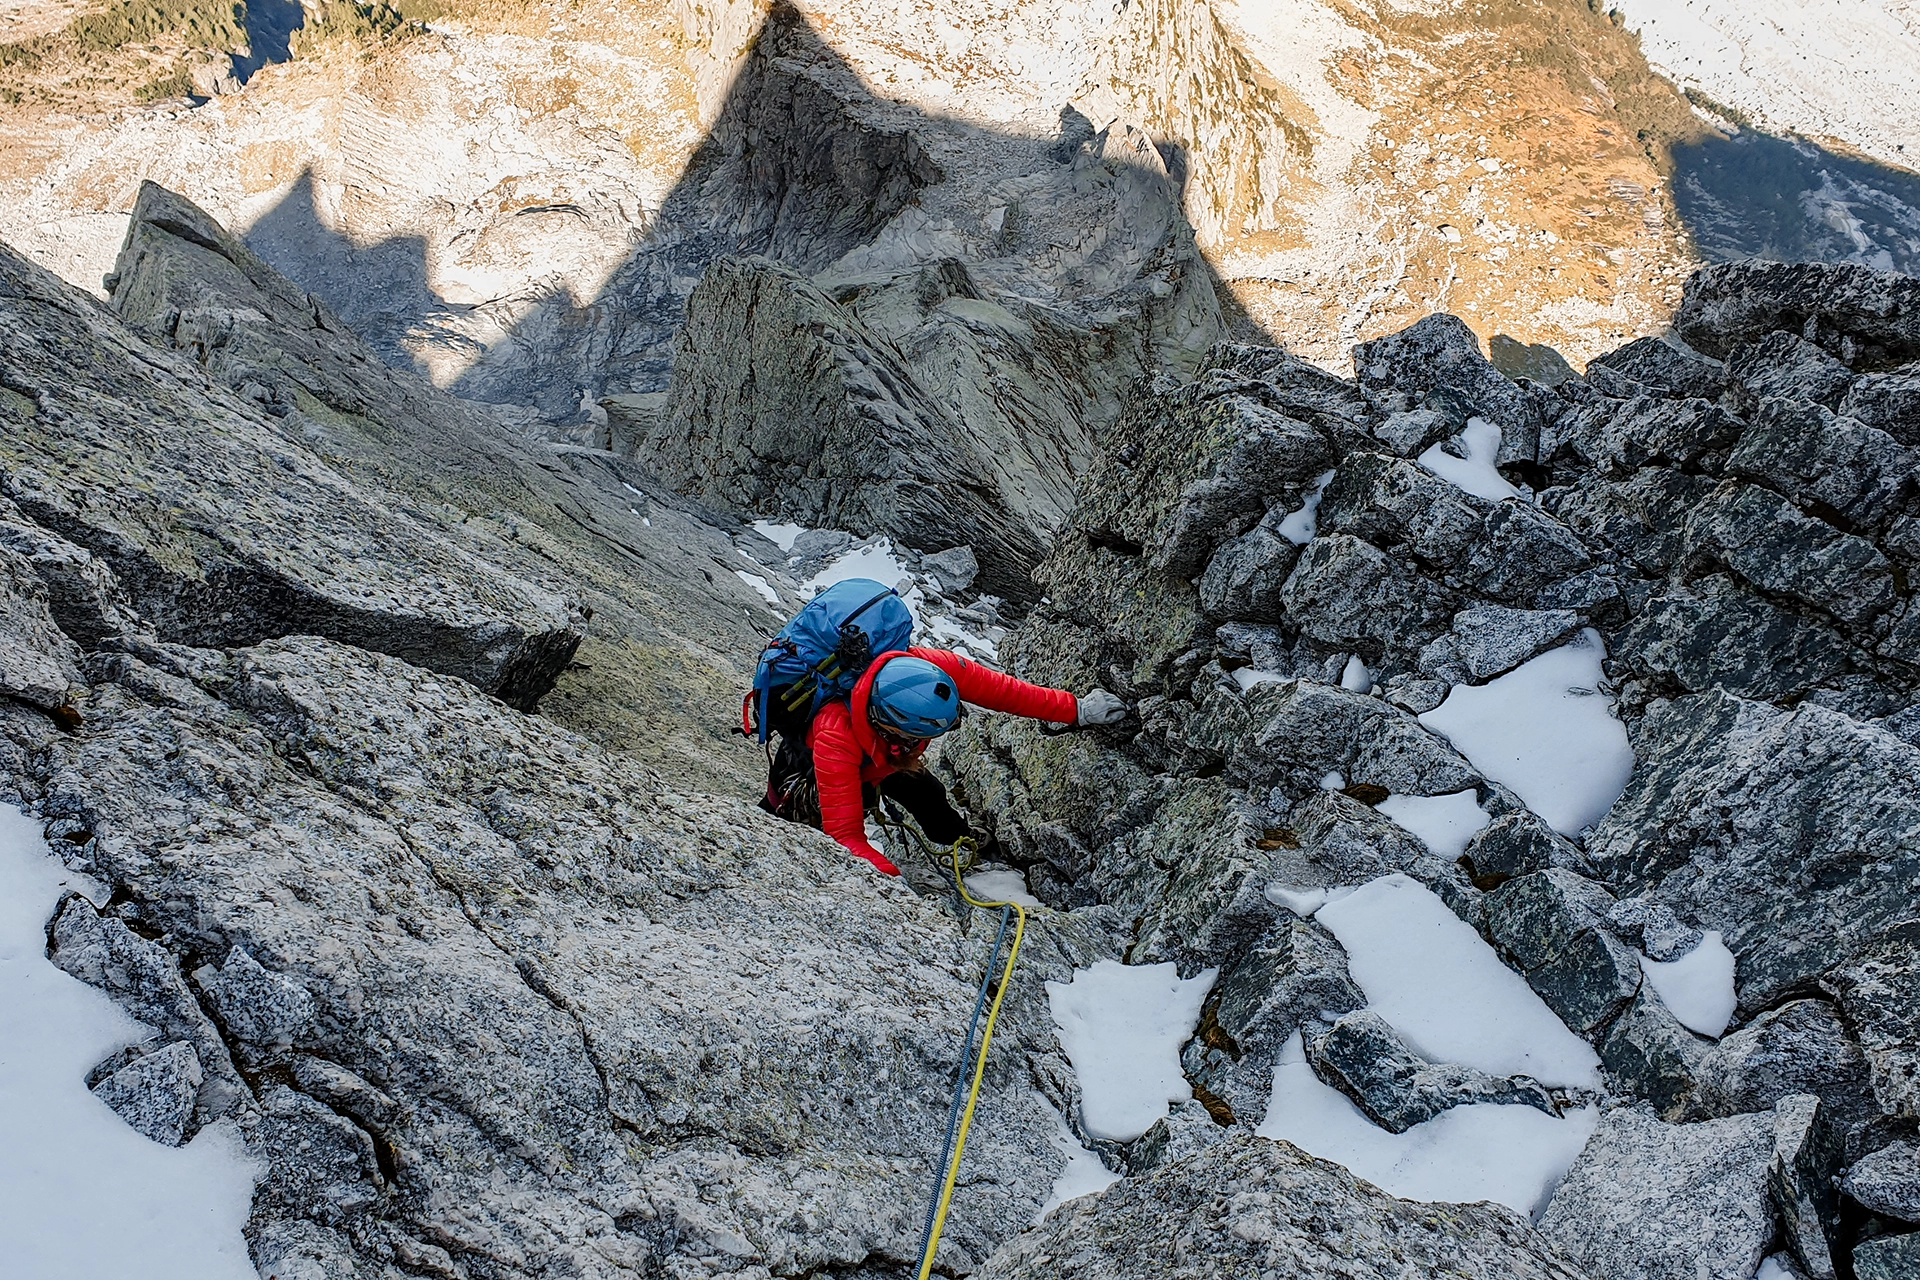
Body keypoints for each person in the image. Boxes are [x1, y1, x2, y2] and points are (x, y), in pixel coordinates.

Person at [761, 646, 1127, 875]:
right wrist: (888, 881)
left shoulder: (926, 670)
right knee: (793, 826)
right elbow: (845, 834)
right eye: (918, 736)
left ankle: (961, 839)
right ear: (889, 726)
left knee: (928, 794)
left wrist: (1077, 710)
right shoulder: (834, 735)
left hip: (885, 758)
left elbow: (1005, 692)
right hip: (810, 773)